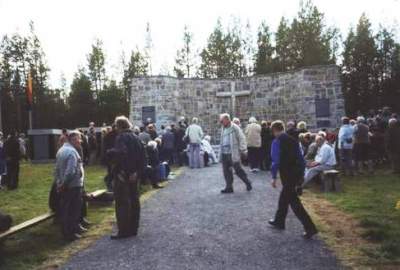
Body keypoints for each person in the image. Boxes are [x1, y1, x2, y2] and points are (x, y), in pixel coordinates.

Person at [268, 120, 318, 239]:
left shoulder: (276, 142)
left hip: (287, 174)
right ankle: (279, 221)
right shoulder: (293, 140)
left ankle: (310, 228)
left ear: (274, 130)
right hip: (296, 174)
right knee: (284, 198)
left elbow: (276, 161)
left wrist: (274, 177)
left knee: (294, 202)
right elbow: (301, 159)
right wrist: (301, 176)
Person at [107, 116, 146, 239]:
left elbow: (121, 153)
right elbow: (144, 158)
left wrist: (110, 152)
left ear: (119, 126)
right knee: (134, 201)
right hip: (134, 175)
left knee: (122, 203)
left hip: (123, 174)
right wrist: (137, 172)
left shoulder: (121, 137)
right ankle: (133, 229)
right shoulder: (136, 138)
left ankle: (123, 230)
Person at [54, 131, 85, 241]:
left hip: (65, 185)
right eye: (78, 139)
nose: (80, 141)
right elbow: (70, 171)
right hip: (73, 186)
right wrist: (64, 184)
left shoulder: (60, 150)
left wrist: (59, 183)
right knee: (73, 210)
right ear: (72, 140)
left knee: (66, 209)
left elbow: (56, 170)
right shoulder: (72, 152)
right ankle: (70, 233)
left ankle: (67, 232)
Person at [219, 113, 252, 194]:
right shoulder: (223, 128)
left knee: (238, 170)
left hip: (233, 153)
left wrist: (243, 149)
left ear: (227, 119)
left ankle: (247, 182)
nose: (221, 122)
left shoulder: (235, 128)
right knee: (226, 171)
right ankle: (229, 187)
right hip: (224, 153)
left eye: (222, 121)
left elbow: (242, 138)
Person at [103, 124, 118, 191]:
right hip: (112, 156)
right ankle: (109, 184)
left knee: (112, 172)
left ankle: (109, 182)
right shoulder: (111, 135)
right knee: (112, 172)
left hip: (110, 156)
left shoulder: (108, 135)